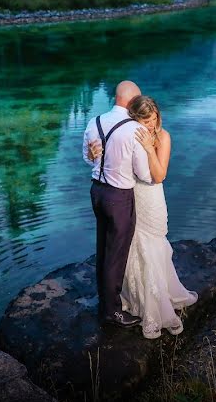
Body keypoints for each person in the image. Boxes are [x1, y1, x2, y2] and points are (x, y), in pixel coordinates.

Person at [88, 95, 197, 339]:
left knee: (153, 245)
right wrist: (95, 153)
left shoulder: (163, 137)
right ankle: (133, 299)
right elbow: (114, 159)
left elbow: (160, 176)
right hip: (131, 194)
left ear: (158, 116)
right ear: (135, 119)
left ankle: (157, 302)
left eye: (153, 118)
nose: (149, 125)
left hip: (152, 198)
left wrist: (149, 148)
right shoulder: (130, 132)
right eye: (144, 120)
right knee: (132, 248)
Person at [82, 80, 151, 328]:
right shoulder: (134, 130)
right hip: (119, 197)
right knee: (116, 254)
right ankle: (112, 311)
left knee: (102, 247)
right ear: (132, 101)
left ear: (115, 97)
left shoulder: (94, 122)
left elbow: (87, 158)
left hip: (96, 192)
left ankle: (104, 303)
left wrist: (97, 157)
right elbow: (143, 173)